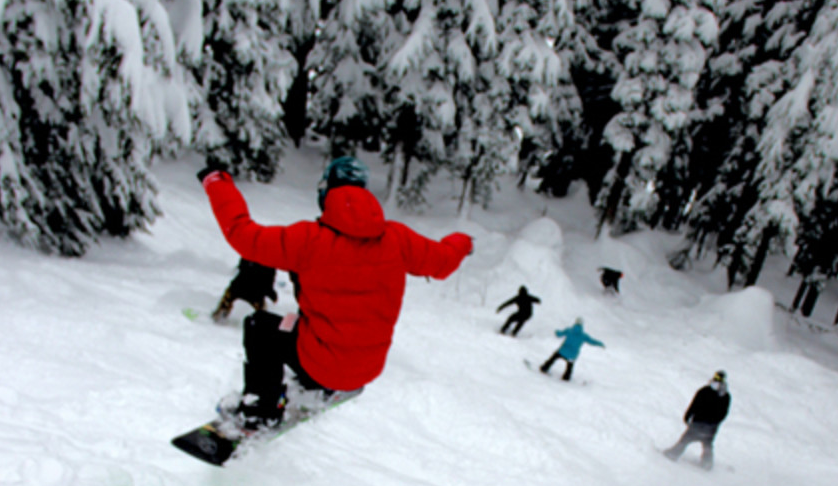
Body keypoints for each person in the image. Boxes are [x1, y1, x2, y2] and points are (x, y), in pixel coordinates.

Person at [197, 156, 474, 429]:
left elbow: (244, 236)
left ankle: (260, 411)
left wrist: (216, 182)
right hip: (368, 368)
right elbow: (444, 260)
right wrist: (463, 242)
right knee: (293, 321)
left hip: (321, 365)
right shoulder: (397, 239)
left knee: (260, 326)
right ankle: (318, 385)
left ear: (326, 193)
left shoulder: (308, 239)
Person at [663, 370, 731, 469]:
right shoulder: (725, 395)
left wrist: (688, 415)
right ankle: (707, 463)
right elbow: (723, 413)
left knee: (686, 439)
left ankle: (673, 454)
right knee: (707, 444)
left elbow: (694, 405)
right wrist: (715, 422)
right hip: (711, 426)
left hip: (699, 422)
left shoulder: (705, 391)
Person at [210, 257, 278, 321]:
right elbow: (268, 283)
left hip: (239, 286)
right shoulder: (271, 259)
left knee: (229, 297)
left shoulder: (250, 251)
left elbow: (242, 266)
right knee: (261, 315)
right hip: (257, 293)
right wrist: (271, 293)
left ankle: (219, 315)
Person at [539, 318, 605, 381]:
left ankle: (544, 368)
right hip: (572, 355)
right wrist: (600, 344)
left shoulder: (569, 330)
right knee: (569, 367)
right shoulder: (584, 335)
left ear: (575, 322)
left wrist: (556, 332)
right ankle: (566, 378)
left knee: (553, 358)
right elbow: (592, 341)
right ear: (582, 325)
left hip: (563, 351)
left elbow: (559, 334)